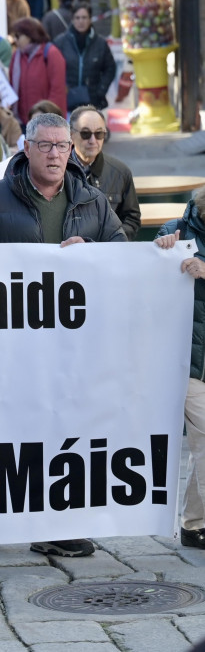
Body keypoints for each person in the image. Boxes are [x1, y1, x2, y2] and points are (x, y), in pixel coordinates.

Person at [0, 111, 125, 559]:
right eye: (46, 145)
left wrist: (92, 256)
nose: (55, 154)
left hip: (73, 347)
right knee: (13, 430)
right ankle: (4, 513)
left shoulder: (93, 201)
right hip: (12, 343)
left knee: (67, 431)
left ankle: (59, 522)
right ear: (26, 148)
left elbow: (123, 259)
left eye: (63, 146)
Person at [154, 191, 205, 551]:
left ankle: (193, 523)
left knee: (202, 444)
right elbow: (143, 283)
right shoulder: (177, 232)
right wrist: (158, 254)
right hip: (188, 360)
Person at [68, 105, 141, 240]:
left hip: (107, 253)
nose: (93, 140)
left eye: (99, 134)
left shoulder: (120, 172)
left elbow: (131, 218)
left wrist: (111, 243)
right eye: (85, 133)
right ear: (71, 135)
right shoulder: (57, 171)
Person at [54, 3, 117, 111]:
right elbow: (53, 69)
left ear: (90, 19)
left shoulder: (100, 43)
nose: (81, 21)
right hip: (67, 101)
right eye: (77, 18)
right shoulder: (60, 42)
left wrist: (101, 90)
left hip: (93, 101)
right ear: (72, 20)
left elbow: (110, 68)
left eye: (84, 17)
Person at [9, 18, 67, 125]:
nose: (15, 40)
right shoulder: (16, 56)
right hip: (22, 121)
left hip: (46, 121)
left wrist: (48, 118)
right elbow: (12, 86)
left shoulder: (51, 54)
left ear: (30, 35)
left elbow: (57, 91)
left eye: (18, 36)